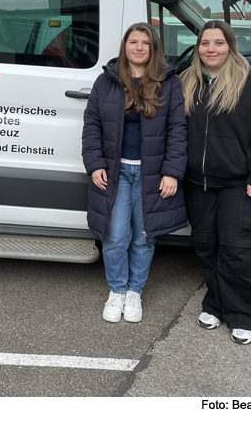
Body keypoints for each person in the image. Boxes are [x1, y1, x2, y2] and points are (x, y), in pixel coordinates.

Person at [82, 22, 188, 323]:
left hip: (152, 174)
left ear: (153, 48)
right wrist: (95, 163)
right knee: (115, 235)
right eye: (133, 42)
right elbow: (91, 126)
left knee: (144, 237)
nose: (139, 48)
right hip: (115, 173)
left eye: (145, 43)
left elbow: (177, 129)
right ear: (124, 46)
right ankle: (116, 291)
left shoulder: (168, 81)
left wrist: (172, 172)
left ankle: (134, 291)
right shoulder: (107, 80)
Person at [181, 20, 251, 345]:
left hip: (241, 183)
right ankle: (217, 304)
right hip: (198, 182)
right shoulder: (187, 82)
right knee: (207, 246)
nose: (211, 49)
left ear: (230, 46)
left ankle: (244, 314)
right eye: (205, 43)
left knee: (241, 250)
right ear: (198, 48)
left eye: (219, 42)